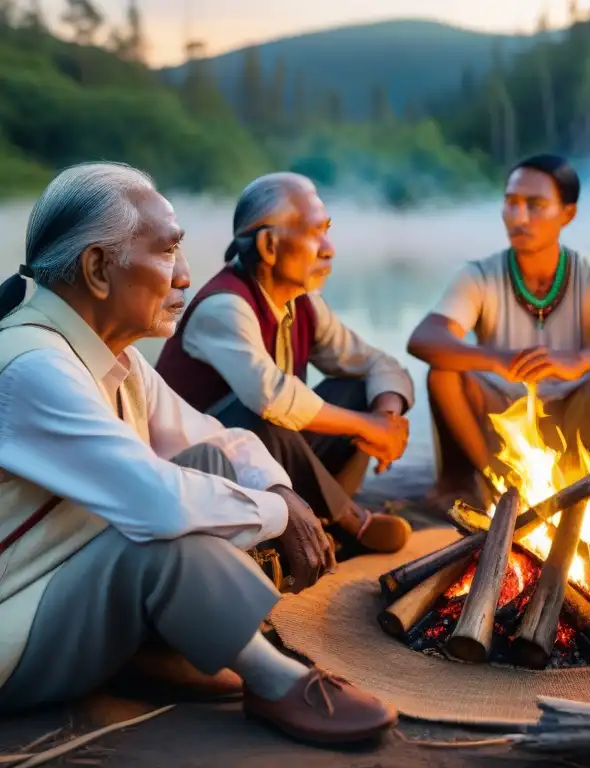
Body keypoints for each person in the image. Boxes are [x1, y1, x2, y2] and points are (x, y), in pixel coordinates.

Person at [0, 162, 396, 742]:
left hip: (61, 587)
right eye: (166, 252)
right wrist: (280, 515)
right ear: (97, 269)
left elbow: (217, 440)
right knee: (162, 539)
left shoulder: (119, 360)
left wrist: (280, 491)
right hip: (15, 631)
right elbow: (158, 506)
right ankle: (272, 677)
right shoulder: (32, 367)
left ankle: (164, 649)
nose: (186, 274)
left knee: (212, 469)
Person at [157, 172, 414, 558]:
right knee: (263, 419)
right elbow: (272, 399)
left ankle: (319, 518)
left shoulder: (303, 302)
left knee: (358, 387)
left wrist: (386, 419)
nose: (328, 248)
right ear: (269, 245)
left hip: (275, 467)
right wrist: (369, 426)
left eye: (327, 231)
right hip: (203, 472)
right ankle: (351, 522)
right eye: (315, 233)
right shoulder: (224, 307)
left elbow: (377, 362)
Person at [407, 154, 590, 523]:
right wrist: (497, 359)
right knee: (444, 373)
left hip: (578, 415)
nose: (519, 216)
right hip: (502, 415)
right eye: (511, 203)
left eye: (535, 205)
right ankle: (494, 482)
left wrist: (579, 360)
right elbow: (425, 338)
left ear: (568, 213)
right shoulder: (479, 275)